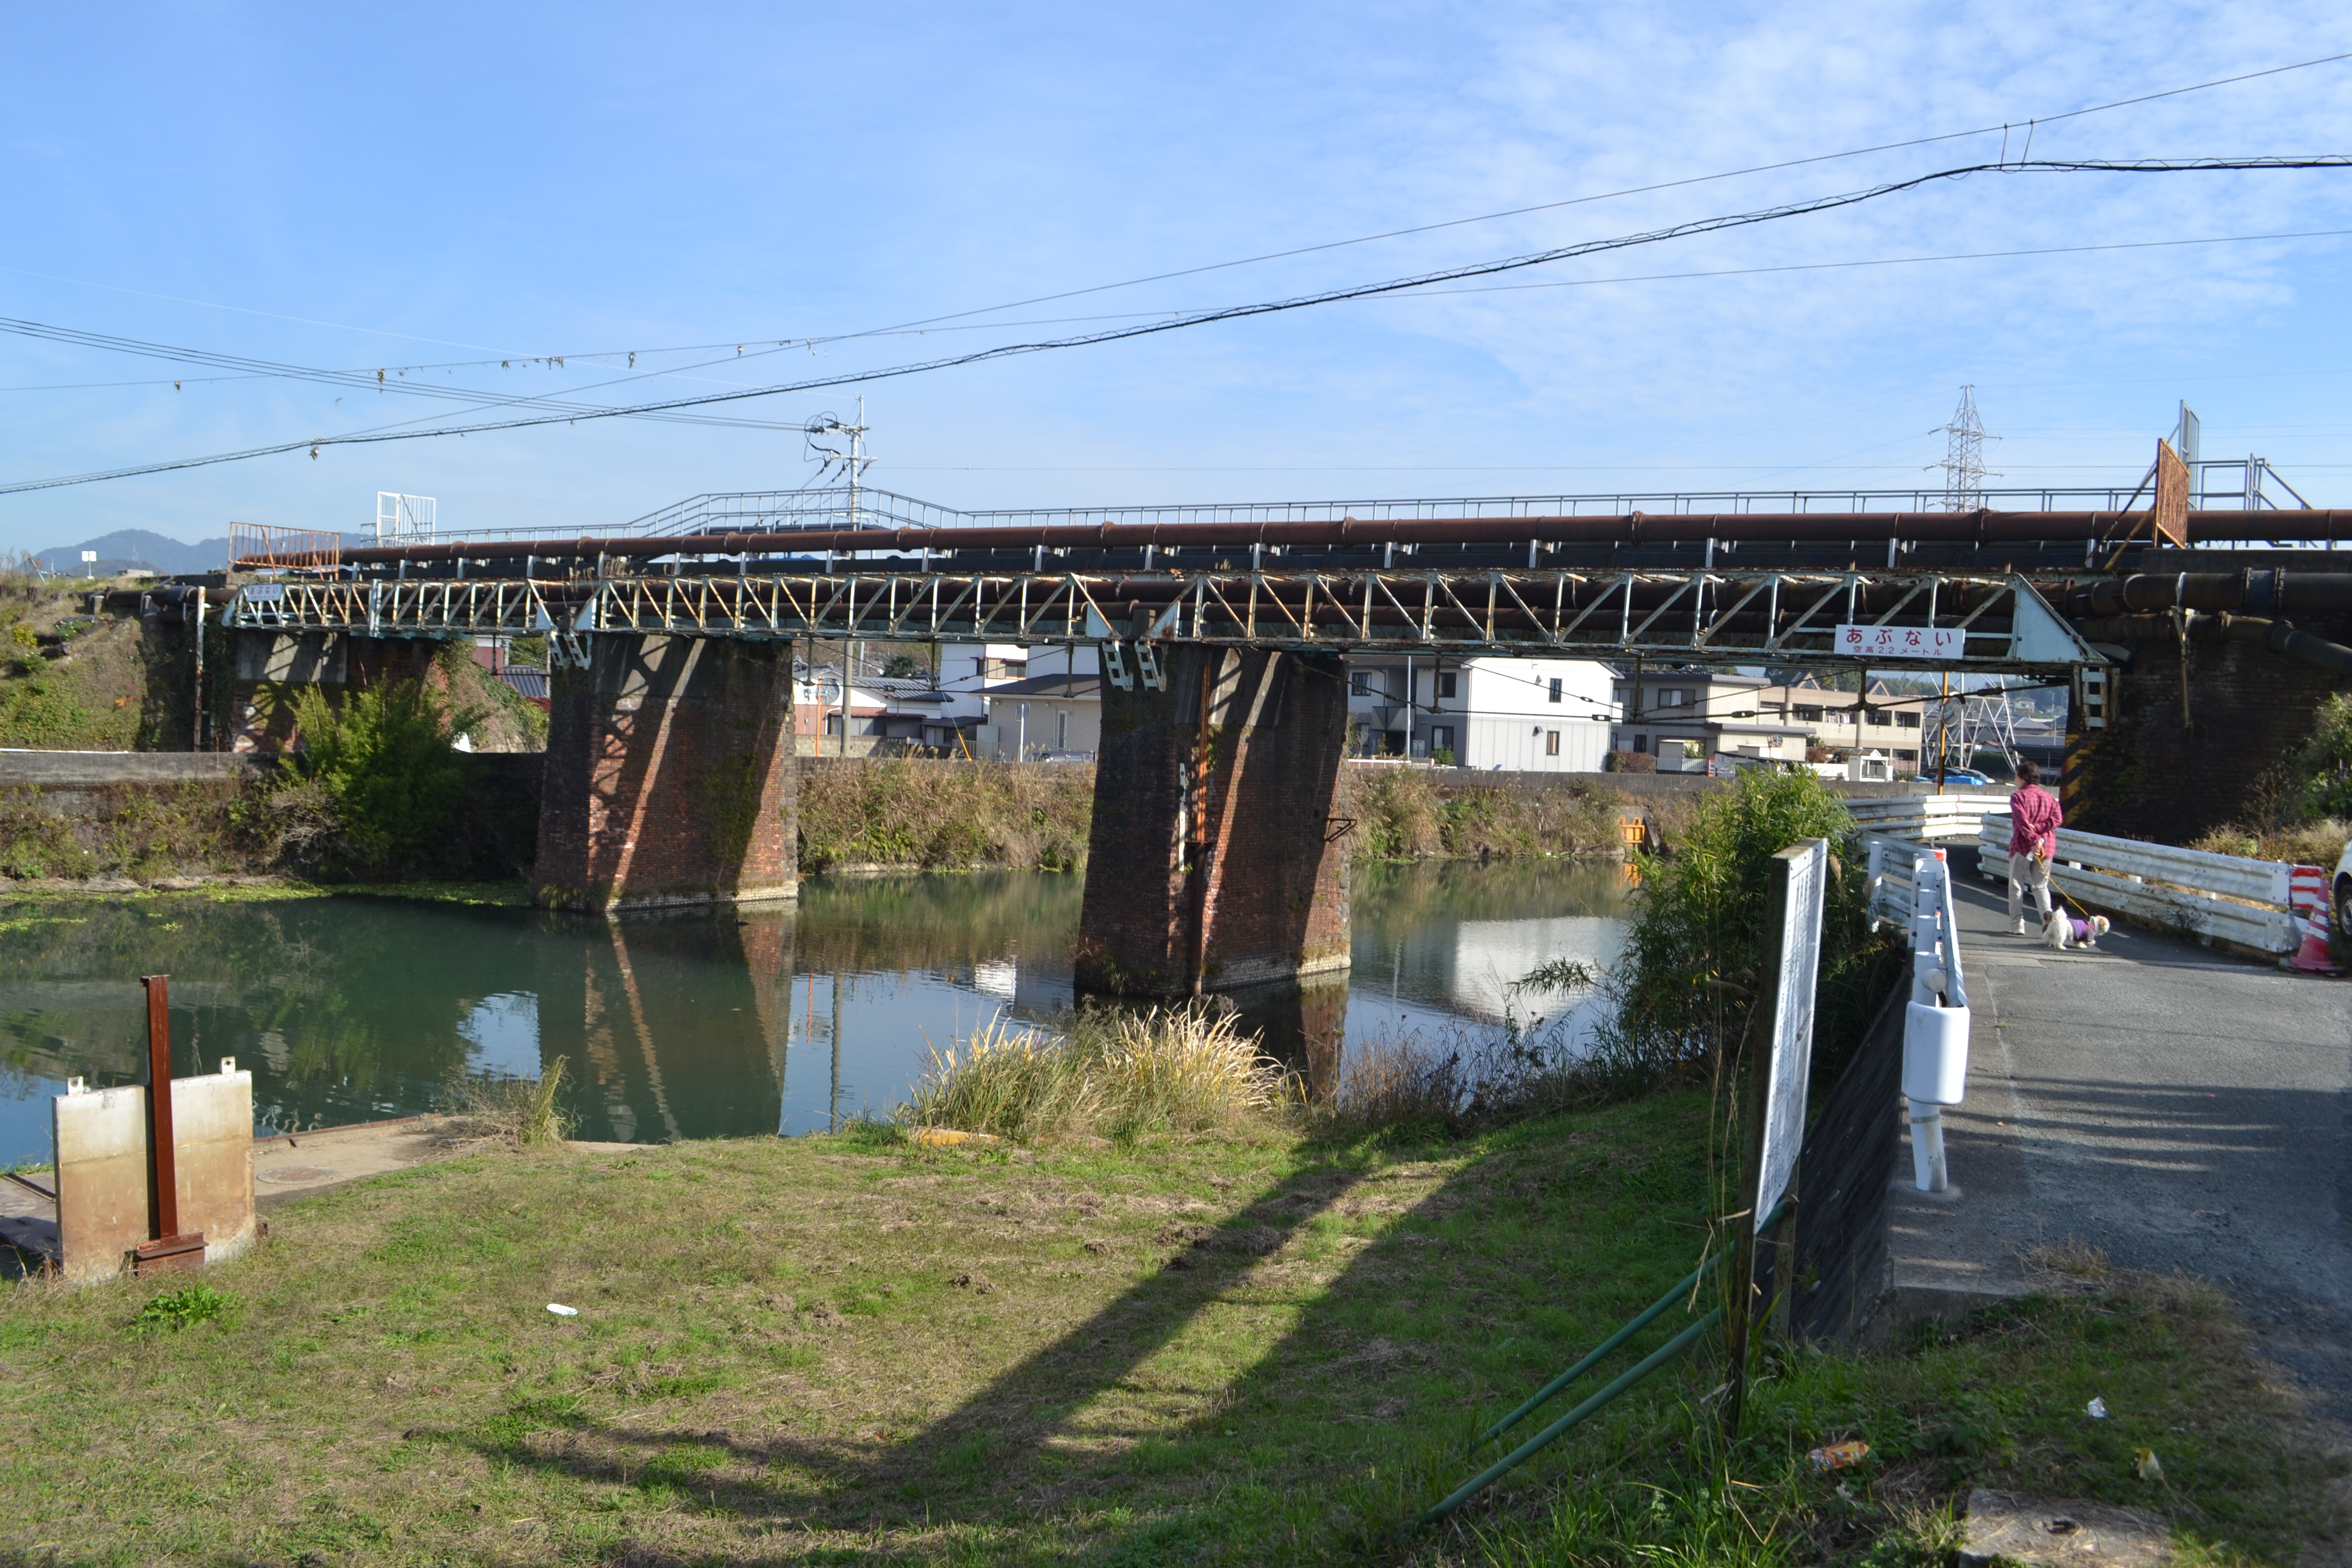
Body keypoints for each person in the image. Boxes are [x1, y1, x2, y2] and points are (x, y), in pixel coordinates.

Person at [2006, 760, 2064, 934]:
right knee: (2040, 885)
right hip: (2047, 847)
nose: (2015, 780)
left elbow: (2022, 822)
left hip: (2023, 846)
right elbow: (2057, 820)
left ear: (2023, 778)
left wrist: (2033, 839)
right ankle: (2048, 920)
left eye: (2016, 777)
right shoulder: (2050, 799)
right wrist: (2039, 833)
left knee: (2016, 884)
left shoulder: (2018, 797)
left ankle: (2017, 926)